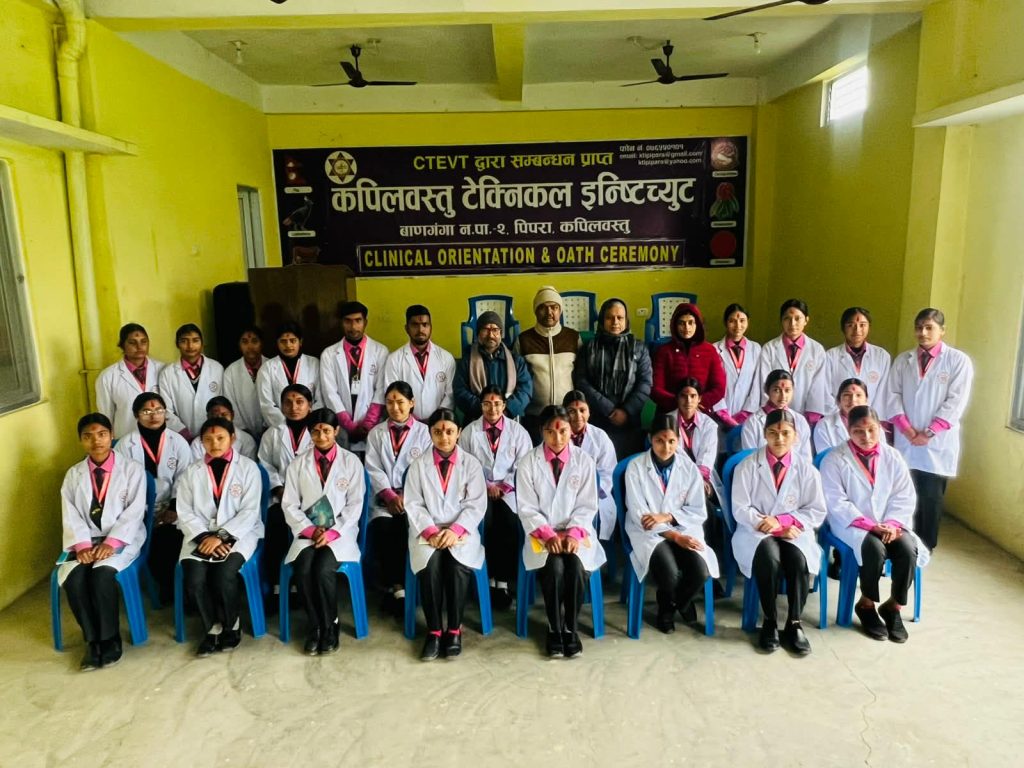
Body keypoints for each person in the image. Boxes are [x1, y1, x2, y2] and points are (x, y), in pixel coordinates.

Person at [819, 406, 929, 643]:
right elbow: (835, 501)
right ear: (848, 430)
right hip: (851, 524)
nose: (866, 436)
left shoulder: (892, 457)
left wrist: (891, 523)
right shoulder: (835, 459)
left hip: (891, 522)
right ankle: (866, 604)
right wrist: (871, 526)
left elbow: (903, 495)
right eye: (858, 431)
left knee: (907, 548)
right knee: (873, 548)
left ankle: (894, 606)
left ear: (880, 428)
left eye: (871, 429)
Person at [730, 408, 826, 655]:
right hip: (756, 531)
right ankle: (770, 621)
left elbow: (816, 510)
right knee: (768, 557)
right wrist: (770, 525)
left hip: (793, 531)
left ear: (796, 436)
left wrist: (782, 522)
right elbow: (740, 508)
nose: (779, 438)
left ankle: (794, 623)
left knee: (798, 559)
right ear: (764, 434)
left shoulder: (807, 470)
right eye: (773, 433)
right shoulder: (747, 466)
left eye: (785, 433)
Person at [516, 405, 606, 658]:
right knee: (555, 568)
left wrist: (575, 533)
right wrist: (547, 534)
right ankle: (554, 627)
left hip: (576, 533)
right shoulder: (528, 462)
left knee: (575, 567)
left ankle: (570, 628)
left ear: (571, 431)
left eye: (563, 431)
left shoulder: (584, 461)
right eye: (550, 432)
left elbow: (588, 505)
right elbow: (526, 507)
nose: (557, 438)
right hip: (542, 535)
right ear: (541, 431)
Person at [59, 413, 147, 671]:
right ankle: (92, 641)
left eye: (101, 434)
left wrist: (112, 542)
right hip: (86, 540)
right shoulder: (74, 474)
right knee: (75, 579)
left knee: (101, 576)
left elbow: (135, 511)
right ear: (81, 440)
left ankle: (110, 639)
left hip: (122, 538)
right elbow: (70, 513)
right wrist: (82, 546)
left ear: (111, 436)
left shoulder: (132, 469)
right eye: (88, 436)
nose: (96, 441)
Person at [176, 417, 264, 657]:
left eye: (220, 438)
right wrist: (206, 537)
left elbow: (249, 511)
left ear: (232, 438)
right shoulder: (191, 472)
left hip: (239, 533)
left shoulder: (248, 468)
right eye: (208, 439)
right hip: (200, 535)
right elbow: (185, 512)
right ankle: (211, 627)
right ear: (201, 442)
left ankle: (232, 624)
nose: (214, 444)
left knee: (224, 574)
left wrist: (222, 537)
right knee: (194, 578)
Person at [887, 308, 974, 551]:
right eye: (919, 328)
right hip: (907, 438)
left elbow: (956, 401)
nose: (923, 333)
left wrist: (929, 432)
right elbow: (892, 395)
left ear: (942, 331)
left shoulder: (957, 361)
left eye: (929, 328)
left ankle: (926, 547)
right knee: (904, 493)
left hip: (936, 443)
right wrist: (907, 430)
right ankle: (903, 544)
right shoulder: (903, 360)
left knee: (930, 497)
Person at [280, 408, 365, 655]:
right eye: (315, 431)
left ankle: (330, 624)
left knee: (322, 569)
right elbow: (289, 504)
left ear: (336, 431)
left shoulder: (351, 462)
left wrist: (332, 532)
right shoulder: (298, 464)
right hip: (308, 532)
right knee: (303, 569)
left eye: (326, 430)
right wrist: (309, 530)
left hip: (340, 533)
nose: (321, 436)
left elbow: (355, 505)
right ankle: (315, 625)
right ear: (309, 432)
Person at [404, 408, 487, 661]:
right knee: (430, 566)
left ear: (459, 432)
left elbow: (476, 504)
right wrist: (431, 531)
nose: (444, 437)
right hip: (427, 531)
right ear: (430, 433)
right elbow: (413, 504)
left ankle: (454, 629)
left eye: (450, 431)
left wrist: (454, 531)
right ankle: (434, 631)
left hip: (461, 531)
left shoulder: (471, 464)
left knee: (456, 566)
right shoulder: (418, 466)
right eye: (438, 432)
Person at [624, 416, 718, 634]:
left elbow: (698, 511)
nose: (666, 447)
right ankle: (665, 610)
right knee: (670, 573)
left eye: (671, 441)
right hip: (648, 533)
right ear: (650, 439)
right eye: (660, 440)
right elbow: (639, 513)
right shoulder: (636, 467)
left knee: (701, 572)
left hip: (684, 527)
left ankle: (677, 602)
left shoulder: (689, 468)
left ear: (678, 441)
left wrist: (667, 517)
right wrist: (675, 536)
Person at [458, 385, 533, 609]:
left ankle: (503, 582)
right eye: (487, 404)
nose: (492, 409)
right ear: (481, 405)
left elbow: (524, 463)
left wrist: (504, 486)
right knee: (486, 523)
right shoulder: (469, 432)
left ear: (504, 405)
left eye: (497, 404)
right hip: (479, 491)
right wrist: (487, 485)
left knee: (508, 523)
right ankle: (489, 579)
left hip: (509, 491)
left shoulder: (518, 431)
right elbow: (464, 464)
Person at [114, 392, 192, 604]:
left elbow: (184, 479)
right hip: (138, 510)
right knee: (152, 538)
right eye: (146, 411)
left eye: (159, 410)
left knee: (171, 538)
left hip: (172, 508)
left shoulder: (178, 442)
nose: (154, 415)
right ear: (136, 415)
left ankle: (179, 589)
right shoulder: (124, 445)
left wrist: (172, 508)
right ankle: (165, 587)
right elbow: (121, 486)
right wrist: (144, 514)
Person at [364, 381, 432, 615]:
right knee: (384, 529)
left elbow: (426, 470)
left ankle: (411, 585)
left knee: (406, 529)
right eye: (390, 402)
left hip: (414, 499)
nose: (395, 407)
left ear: (412, 403)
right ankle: (396, 588)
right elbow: (372, 468)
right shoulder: (376, 433)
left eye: (400, 402)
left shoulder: (425, 433)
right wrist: (389, 495)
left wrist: (405, 496)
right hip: (384, 500)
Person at [573, 298, 652, 457]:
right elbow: (581, 381)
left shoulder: (638, 347)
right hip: (598, 418)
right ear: (602, 320)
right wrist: (609, 410)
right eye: (609, 317)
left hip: (630, 421)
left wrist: (626, 411)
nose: (615, 322)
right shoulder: (589, 348)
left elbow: (645, 383)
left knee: (628, 465)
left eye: (620, 317)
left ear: (626, 320)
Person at [257, 383, 313, 599]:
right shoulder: (272, 434)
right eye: (288, 402)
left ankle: (300, 584)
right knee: (276, 525)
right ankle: (277, 584)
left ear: (310, 405)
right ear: (281, 406)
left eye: (300, 402)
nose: (294, 407)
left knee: (307, 535)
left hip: (312, 500)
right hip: (281, 498)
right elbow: (265, 465)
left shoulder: (318, 431)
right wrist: (279, 488)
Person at [319, 300, 389, 455]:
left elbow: (381, 390)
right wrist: (349, 425)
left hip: (372, 425)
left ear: (365, 322)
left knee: (373, 463)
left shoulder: (380, 351)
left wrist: (368, 424)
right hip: (342, 427)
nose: (353, 326)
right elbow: (330, 393)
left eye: (358, 321)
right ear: (341, 323)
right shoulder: (329, 354)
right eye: (348, 321)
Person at [515, 287, 581, 439]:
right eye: (543, 307)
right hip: (534, 417)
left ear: (560, 311)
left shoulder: (573, 337)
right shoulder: (523, 340)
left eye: (554, 307)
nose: (549, 312)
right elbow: (517, 379)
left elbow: (581, 375)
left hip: (566, 416)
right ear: (536, 311)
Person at [747, 299, 827, 423]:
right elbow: (764, 383)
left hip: (804, 416)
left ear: (806, 320)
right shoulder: (769, 348)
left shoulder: (817, 350)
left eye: (797, 318)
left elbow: (818, 387)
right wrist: (771, 414)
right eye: (787, 319)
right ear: (781, 321)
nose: (792, 323)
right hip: (773, 416)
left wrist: (810, 420)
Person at [454, 311, 533, 422]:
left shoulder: (517, 361)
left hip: (509, 419)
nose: (491, 335)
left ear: (501, 333)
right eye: (485, 330)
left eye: (495, 330)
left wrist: (506, 410)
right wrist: (485, 410)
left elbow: (525, 391)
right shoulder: (467, 361)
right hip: (476, 419)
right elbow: (460, 391)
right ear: (478, 334)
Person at [650, 303, 727, 418]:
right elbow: (655, 388)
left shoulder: (710, 350)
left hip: (701, 413)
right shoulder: (663, 351)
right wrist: (681, 404)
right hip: (669, 415)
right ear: (675, 325)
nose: (686, 328)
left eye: (691, 322)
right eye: (681, 323)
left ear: (698, 325)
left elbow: (719, 387)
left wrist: (695, 403)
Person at [383, 305, 455, 421]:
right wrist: (413, 422)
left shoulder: (446, 358)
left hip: (439, 423)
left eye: (425, 324)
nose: (421, 330)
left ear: (431, 327)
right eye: (415, 325)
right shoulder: (394, 359)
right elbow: (392, 395)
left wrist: (436, 419)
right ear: (406, 328)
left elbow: (450, 394)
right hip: (407, 422)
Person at [562, 390, 617, 542]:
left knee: (591, 519)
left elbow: (608, 472)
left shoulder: (600, 437)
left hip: (595, 494)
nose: (578, 416)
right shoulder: (557, 435)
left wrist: (588, 493)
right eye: (571, 411)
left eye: (582, 410)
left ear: (589, 412)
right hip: (564, 494)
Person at [96, 323, 166, 439]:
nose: (139, 346)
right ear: (122, 345)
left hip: (162, 436)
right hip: (126, 438)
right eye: (132, 342)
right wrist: (111, 443)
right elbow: (106, 415)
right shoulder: (108, 377)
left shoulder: (163, 370)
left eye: (143, 342)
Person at [158, 323, 225, 441]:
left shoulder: (217, 368)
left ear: (202, 343)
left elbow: (223, 403)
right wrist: (183, 432)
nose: (190, 346)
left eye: (195, 340)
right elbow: (166, 410)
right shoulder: (167, 374)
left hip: (214, 433)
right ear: (177, 344)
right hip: (181, 437)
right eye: (184, 341)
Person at [824, 307, 892, 416]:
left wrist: (871, 418)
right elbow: (825, 392)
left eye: (862, 325)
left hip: (870, 418)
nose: (857, 330)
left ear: (869, 327)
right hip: (838, 418)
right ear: (843, 328)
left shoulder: (882, 356)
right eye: (851, 325)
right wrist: (842, 417)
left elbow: (882, 393)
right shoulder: (830, 356)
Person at [257, 322, 321, 429]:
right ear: (277, 343)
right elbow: (266, 404)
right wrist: (286, 426)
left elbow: (320, 399)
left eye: (293, 340)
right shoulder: (267, 368)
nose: (288, 345)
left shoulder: (314, 363)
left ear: (300, 342)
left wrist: (307, 423)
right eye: (283, 341)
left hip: (310, 426)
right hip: (279, 427)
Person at [740, 370, 813, 461]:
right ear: (767, 390)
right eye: (777, 390)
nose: (783, 396)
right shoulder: (752, 423)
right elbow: (750, 459)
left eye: (787, 390)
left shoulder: (800, 420)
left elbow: (806, 459)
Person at [711, 303, 761, 428]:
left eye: (742, 320)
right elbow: (712, 384)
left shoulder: (756, 349)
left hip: (747, 417)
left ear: (748, 322)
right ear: (725, 323)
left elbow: (757, 385)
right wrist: (723, 414)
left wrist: (745, 414)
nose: (738, 326)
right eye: (732, 321)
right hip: (719, 416)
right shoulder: (714, 349)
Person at [222, 326, 269, 438]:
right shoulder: (230, 371)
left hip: (270, 429)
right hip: (242, 432)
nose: (250, 346)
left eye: (255, 341)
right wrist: (242, 429)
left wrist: (267, 426)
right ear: (239, 345)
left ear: (262, 343)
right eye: (245, 342)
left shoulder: (272, 367)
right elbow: (230, 403)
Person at [189, 397, 258, 460]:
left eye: (224, 415)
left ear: (232, 415)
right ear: (208, 417)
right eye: (215, 415)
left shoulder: (247, 441)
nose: (220, 419)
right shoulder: (197, 444)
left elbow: (249, 466)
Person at [813, 378, 869, 455]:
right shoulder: (824, 425)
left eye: (858, 395)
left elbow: (882, 454)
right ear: (838, 400)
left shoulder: (875, 425)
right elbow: (825, 457)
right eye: (847, 395)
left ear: (866, 400)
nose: (853, 400)